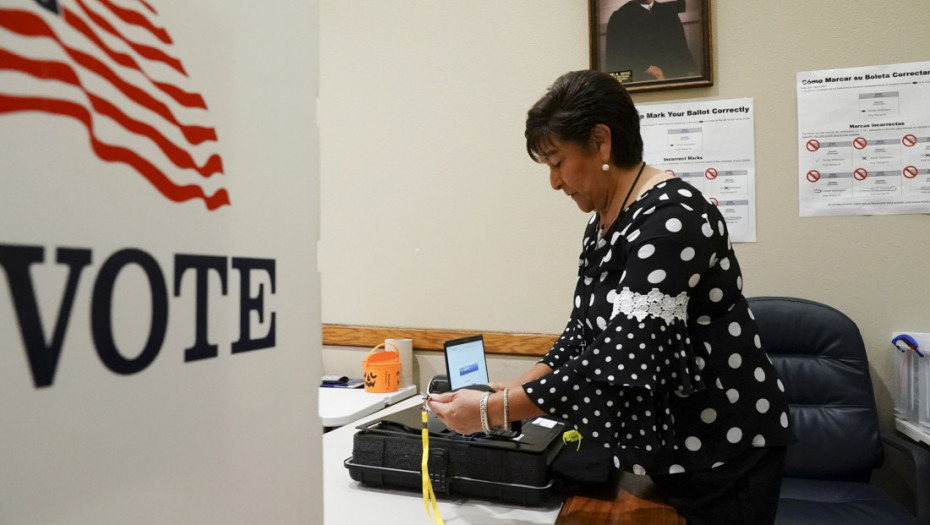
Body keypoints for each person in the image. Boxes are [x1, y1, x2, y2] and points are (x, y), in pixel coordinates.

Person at [428, 70, 790, 525]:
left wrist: (493, 410)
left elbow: (627, 356)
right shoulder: (604, 221)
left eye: (558, 162)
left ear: (601, 142)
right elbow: (583, 332)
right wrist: (521, 385)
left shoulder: (672, 218)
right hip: (669, 448)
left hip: (723, 448)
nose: (555, 183)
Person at [605, 0, 696, 82]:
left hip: (674, 84)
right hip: (643, 88)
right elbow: (615, 68)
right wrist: (646, 69)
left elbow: (683, 54)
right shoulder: (619, 17)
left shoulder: (669, 13)